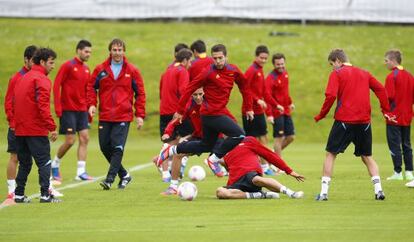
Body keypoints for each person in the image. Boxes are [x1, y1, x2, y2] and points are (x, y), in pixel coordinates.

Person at [157, 44, 254, 177]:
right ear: (211, 58)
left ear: (226, 57)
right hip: (211, 114)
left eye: (220, 58)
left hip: (214, 114)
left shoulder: (233, 70)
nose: (218, 61)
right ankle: (213, 160)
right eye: (215, 58)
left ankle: (171, 149)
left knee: (206, 145)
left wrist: (248, 107)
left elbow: (245, 86)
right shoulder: (208, 72)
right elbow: (190, 88)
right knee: (239, 134)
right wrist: (180, 110)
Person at [314, 49, 395, 201]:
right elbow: (381, 89)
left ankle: (323, 193)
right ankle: (379, 190)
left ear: (338, 61)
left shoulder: (337, 74)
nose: (332, 67)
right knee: (367, 156)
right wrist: (386, 111)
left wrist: (322, 114)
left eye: (332, 64)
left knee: (331, 154)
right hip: (364, 122)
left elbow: (330, 95)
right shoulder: (365, 73)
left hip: (344, 121)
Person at [88, 38, 146, 190]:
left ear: (124, 51)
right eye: (114, 50)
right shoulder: (100, 69)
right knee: (104, 147)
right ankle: (124, 174)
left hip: (123, 116)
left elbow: (140, 93)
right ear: (110, 51)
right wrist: (92, 104)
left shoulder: (132, 71)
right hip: (105, 115)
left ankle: (109, 179)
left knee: (117, 147)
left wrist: (139, 115)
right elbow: (90, 88)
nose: (117, 53)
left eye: (120, 50)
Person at [13, 47, 60, 203]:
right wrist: (51, 127)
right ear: (42, 62)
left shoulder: (22, 78)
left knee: (25, 163)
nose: (53, 66)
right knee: (44, 162)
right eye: (51, 63)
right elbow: (43, 106)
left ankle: (19, 195)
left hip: (20, 130)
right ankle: (45, 195)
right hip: (35, 129)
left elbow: (15, 103)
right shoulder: (42, 79)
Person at [51, 40, 94, 183]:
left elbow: (88, 90)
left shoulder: (87, 69)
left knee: (85, 138)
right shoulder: (68, 66)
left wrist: (90, 107)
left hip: (82, 110)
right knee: (70, 140)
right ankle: (55, 164)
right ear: (79, 50)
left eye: (90, 52)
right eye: (86, 51)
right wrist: (58, 108)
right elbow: (56, 85)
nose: (88, 54)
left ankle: (81, 172)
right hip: (68, 109)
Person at [216, 136, 305, 200]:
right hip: (235, 181)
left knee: (257, 179)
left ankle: (292, 193)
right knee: (220, 192)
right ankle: (259, 195)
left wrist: (289, 171)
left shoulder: (248, 140)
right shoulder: (224, 149)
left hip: (250, 173)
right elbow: (229, 166)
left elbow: (269, 155)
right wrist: (217, 162)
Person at [243, 45, 283, 175]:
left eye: (266, 58)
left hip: (258, 111)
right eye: (262, 58)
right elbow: (245, 88)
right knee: (254, 141)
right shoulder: (252, 70)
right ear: (256, 57)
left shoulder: (260, 70)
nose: (264, 60)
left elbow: (265, 92)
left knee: (263, 139)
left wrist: (275, 105)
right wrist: (256, 100)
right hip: (250, 111)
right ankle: (263, 167)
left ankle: (262, 166)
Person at [3, 45, 37, 199]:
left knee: (32, 158)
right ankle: (11, 191)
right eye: (33, 60)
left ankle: (20, 192)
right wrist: (13, 120)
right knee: (15, 157)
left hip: (29, 126)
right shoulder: (16, 78)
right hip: (17, 126)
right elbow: (9, 102)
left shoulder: (36, 77)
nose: (36, 63)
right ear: (26, 60)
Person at [158, 48, 194, 182]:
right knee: (195, 134)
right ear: (184, 60)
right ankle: (182, 161)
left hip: (164, 110)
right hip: (177, 112)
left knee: (169, 142)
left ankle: (165, 173)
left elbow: (161, 92)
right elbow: (183, 92)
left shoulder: (166, 71)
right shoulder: (183, 71)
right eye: (190, 61)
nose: (190, 64)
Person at [382, 50, 414, 181]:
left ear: (393, 61)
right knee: (407, 144)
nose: (385, 63)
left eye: (386, 61)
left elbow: (388, 97)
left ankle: (397, 172)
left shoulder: (391, 77)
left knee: (394, 144)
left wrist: (385, 112)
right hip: (407, 116)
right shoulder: (410, 76)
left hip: (393, 117)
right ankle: (409, 172)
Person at [265, 53, 295, 156]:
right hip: (276, 112)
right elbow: (266, 96)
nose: (281, 66)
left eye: (282, 64)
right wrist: (269, 114)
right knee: (279, 138)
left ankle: (272, 156)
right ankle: (278, 165)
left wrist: (290, 102)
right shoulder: (270, 78)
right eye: (278, 64)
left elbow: (285, 91)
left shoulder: (285, 73)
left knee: (291, 137)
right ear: (274, 64)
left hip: (286, 110)